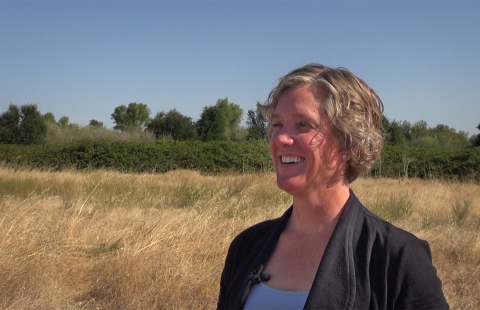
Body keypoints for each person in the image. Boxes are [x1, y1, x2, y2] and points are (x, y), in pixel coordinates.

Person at [217, 63, 449, 309]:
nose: (281, 139)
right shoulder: (246, 247)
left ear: (350, 144)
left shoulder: (397, 259)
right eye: (277, 124)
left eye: (303, 124)